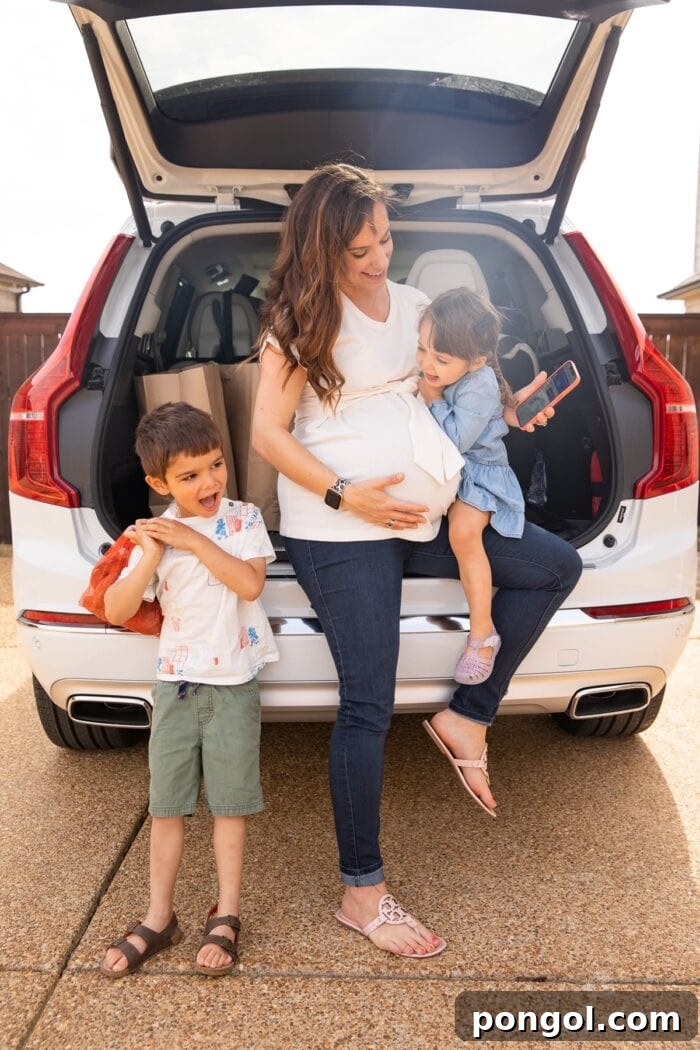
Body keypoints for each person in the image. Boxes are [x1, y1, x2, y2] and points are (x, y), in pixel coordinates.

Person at [252, 162, 582, 959]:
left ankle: (468, 714)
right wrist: (345, 496)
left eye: (384, 240)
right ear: (322, 246)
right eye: (359, 249)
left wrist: (508, 410)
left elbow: (459, 374)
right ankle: (362, 894)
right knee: (367, 701)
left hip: (423, 511)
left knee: (553, 567)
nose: (377, 258)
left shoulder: (415, 306)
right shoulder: (301, 321)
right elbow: (267, 434)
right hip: (340, 526)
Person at [100, 401, 278, 978]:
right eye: (190, 475)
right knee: (167, 806)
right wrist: (151, 553)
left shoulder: (244, 519)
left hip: (232, 687)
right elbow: (116, 609)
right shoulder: (154, 536)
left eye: (216, 465)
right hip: (175, 684)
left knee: (230, 805)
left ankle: (226, 914)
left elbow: (249, 583)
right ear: (159, 484)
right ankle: (159, 917)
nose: (209, 482)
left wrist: (194, 540)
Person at [417, 287, 525, 692]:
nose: (427, 364)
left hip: (477, 475)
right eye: (422, 350)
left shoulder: (479, 384)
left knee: (463, 534)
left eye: (441, 359)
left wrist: (432, 397)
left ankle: (483, 634)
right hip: (449, 471)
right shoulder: (442, 369)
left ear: (477, 360)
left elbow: (456, 441)